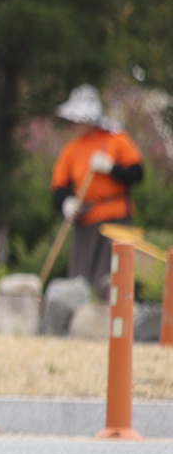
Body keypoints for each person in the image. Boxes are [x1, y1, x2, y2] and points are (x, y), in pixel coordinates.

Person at [49, 85, 145, 298]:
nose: (76, 124)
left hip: (116, 218)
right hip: (86, 218)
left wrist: (111, 168)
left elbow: (137, 173)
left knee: (111, 277)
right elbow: (59, 186)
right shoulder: (72, 149)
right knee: (82, 278)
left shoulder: (117, 140)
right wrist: (66, 203)